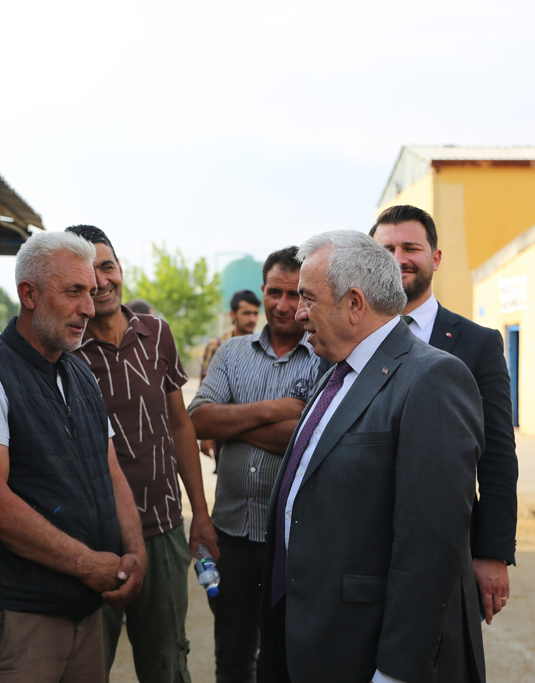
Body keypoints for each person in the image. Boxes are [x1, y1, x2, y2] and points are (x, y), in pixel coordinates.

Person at [259, 230, 485, 683]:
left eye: (307, 298)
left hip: (363, 650)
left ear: (354, 304)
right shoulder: (336, 372)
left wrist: (396, 672)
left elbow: (430, 550)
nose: (298, 313)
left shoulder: (432, 378)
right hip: (306, 633)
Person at [0, 231, 146, 682]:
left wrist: (135, 550)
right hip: (14, 621)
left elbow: (110, 470)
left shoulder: (79, 373)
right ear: (28, 295)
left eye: (91, 292)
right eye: (73, 292)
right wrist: (90, 565)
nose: (89, 308)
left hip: (85, 615)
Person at [65, 224, 217, 683]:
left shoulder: (157, 334)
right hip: (94, 541)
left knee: (167, 664)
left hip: (164, 530)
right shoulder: (65, 350)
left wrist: (200, 515)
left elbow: (180, 425)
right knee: (86, 667)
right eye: (88, 273)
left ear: (121, 269)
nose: (101, 281)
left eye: (107, 266)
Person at [369, 205, 518, 624]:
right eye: (386, 249)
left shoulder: (477, 344)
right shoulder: (348, 338)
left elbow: (497, 455)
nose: (398, 258)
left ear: (435, 258)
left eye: (411, 248)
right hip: (360, 545)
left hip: (446, 544)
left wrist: (491, 552)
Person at [189, 247, 320, 683]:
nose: (282, 305)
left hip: (292, 542)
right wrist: (275, 410)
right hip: (231, 537)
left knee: (281, 660)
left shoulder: (323, 357)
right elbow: (199, 420)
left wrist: (233, 423)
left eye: (294, 294)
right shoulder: (232, 353)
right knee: (232, 656)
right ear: (262, 291)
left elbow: (309, 440)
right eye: (273, 292)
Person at [198, 289, 263, 463]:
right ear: (233, 314)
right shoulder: (216, 346)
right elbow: (204, 391)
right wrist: (206, 435)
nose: (252, 319)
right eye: (246, 313)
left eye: (255, 313)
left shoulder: (263, 346)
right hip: (223, 425)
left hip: (255, 426)